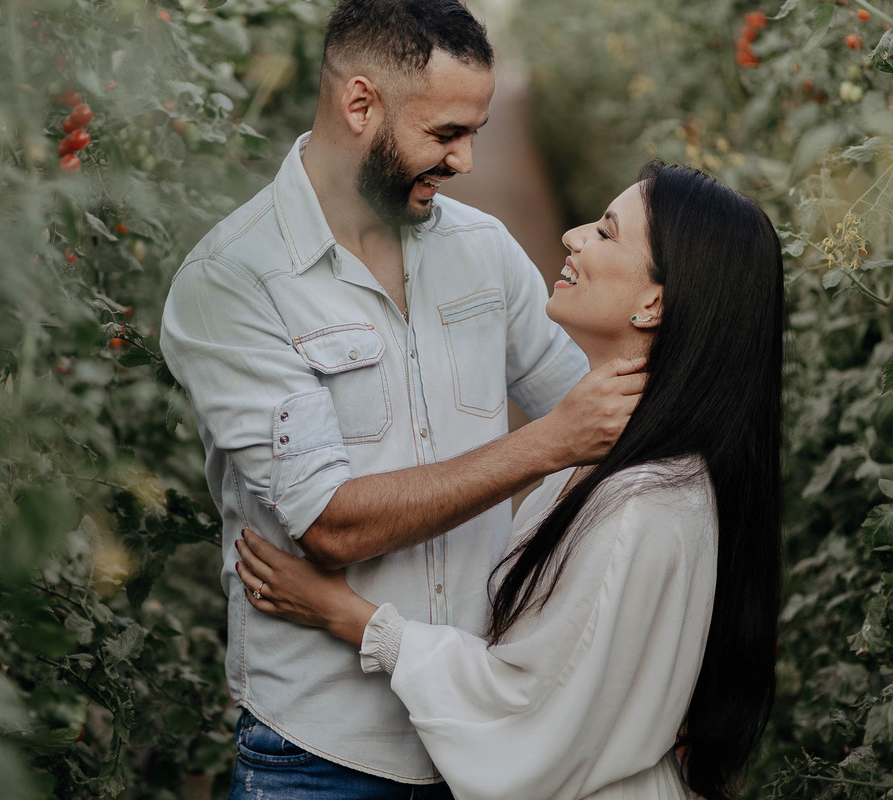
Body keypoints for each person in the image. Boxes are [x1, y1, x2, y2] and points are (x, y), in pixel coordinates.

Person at [159, 0, 648, 794]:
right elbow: (330, 525)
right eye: (446, 133)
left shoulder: (483, 250)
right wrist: (549, 442)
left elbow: (606, 418)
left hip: (480, 727)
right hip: (322, 753)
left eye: (475, 134)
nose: (464, 161)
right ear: (360, 104)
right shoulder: (233, 282)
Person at [235, 162, 784, 800]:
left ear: (653, 303)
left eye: (606, 232)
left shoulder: (643, 502)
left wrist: (352, 617)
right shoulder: (613, 457)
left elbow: (531, 714)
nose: (574, 236)